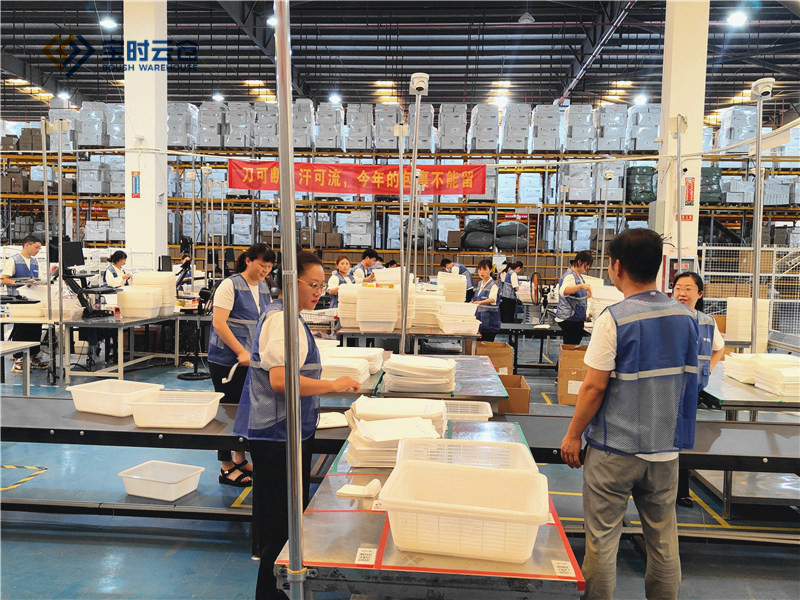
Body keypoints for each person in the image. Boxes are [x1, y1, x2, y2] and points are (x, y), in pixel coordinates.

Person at [560, 228, 699, 600]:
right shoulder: (687, 318)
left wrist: (573, 435)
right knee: (663, 540)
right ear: (659, 267)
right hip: (665, 449)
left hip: (615, 450)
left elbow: (593, 387)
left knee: (602, 540)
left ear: (616, 267)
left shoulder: (615, 319)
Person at [233, 251, 359, 600]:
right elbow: (279, 381)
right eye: (313, 285)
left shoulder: (290, 317)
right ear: (291, 282)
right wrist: (332, 385)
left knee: (286, 525)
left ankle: (279, 592)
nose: (319, 291)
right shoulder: (281, 321)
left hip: (286, 431)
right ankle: (271, 594)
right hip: (278, 437)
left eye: (321, 285)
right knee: (279, 529)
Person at [208, 243, 275, 487]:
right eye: (262, 265)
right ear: (248, 261)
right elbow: (219, 323)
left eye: (269, 267)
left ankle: (239, 459)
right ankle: (226, 467)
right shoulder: (230, 285)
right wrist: (240, 352)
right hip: (227, 360)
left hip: (251, 359)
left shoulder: (264, 287)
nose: (265, 270)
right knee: (228, 412)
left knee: (245, 410)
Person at [672, 271, 725, 508]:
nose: (682, 293)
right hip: (666, 389)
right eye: (678, 288)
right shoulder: (665, 317)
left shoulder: (707, 322)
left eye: (688, 289)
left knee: (683, 440)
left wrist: (708, 369)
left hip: (691, 392)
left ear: (700, 293)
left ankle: (681, 492)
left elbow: (719, 348)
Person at [1, 235, 48, 373]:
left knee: (35, 328)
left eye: (39, 248)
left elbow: (37, 279)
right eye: (36, 247)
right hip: (18, 302)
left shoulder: (34, 262)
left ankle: (32, 357)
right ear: (27, 245)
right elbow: (3, 279)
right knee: (22, 329)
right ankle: (18, 358)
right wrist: (20, 282)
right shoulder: (13, 260)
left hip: (32, 300)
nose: (38, 250)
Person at [555, 250, 594, 344]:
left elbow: (581, 295)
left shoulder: (579, 276)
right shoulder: (570, 276)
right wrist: (581, 286)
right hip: (569, 319)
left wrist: (589, 293)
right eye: (586, 265)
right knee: (570, 347)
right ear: (579, 262)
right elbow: (564, 291)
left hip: (576, 318)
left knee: (574, 345)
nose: (588, 268)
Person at [472, 259, 501, 342]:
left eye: (485, 269)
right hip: (479, 321)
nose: (482, 272)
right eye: (480, 269)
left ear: (490, 270)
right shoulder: (479, 283)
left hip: (490, 323)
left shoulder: (494, 285)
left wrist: (480, 302)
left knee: (486, 345)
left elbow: (492, 299)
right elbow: (477, 298)